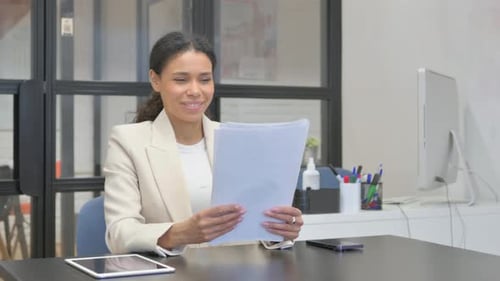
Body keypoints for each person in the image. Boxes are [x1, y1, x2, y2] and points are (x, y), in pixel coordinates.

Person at [103, 31, 303, 256]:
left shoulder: (236, 139)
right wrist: (180, 233)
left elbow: (257, 226)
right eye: (181, 80)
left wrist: (279, 231)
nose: (195, 91)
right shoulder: (128, 141)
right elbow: (120, 232)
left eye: (205, 79)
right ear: (155, 80)